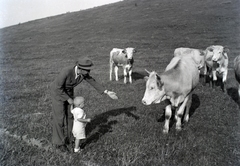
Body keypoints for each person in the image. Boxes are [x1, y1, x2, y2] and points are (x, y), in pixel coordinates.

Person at [50, 57, 118, 152]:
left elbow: (92, 81)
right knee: (59, 118)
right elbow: (57, 87)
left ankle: (72, 138)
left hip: (69, 92)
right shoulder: (66, 71)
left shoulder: (84, 73)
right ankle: (59, 143)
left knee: (71, 116)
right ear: (79, 68)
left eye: (89, 69)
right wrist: (68, 99)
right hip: (58, 93)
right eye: (86, 70)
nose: (88, 72)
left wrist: (106, 92)